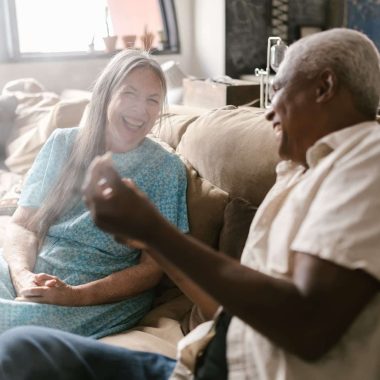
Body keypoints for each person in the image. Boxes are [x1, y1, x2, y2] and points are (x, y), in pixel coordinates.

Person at [0, 27, 380, 380]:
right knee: (21, 350)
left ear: (324, 87)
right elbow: (233, 309)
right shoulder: (299, 173)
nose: (267, 109)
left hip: (237, 369)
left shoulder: (367, 161)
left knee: (17, 348)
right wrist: (147, 235)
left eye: (278, 89)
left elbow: (308, 327)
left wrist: (153, 232)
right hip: (202, 355)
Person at [0, 49, 188, 338]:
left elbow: (152, 269)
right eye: (130, 93)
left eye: (153, 100)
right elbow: (23, 223)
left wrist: (76, 296)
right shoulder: (62, 143)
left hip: (98, 293)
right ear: (105, 93)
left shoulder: (166, 169)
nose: (141, 110)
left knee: (13, 328)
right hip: (34, 271)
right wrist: (23, 276)